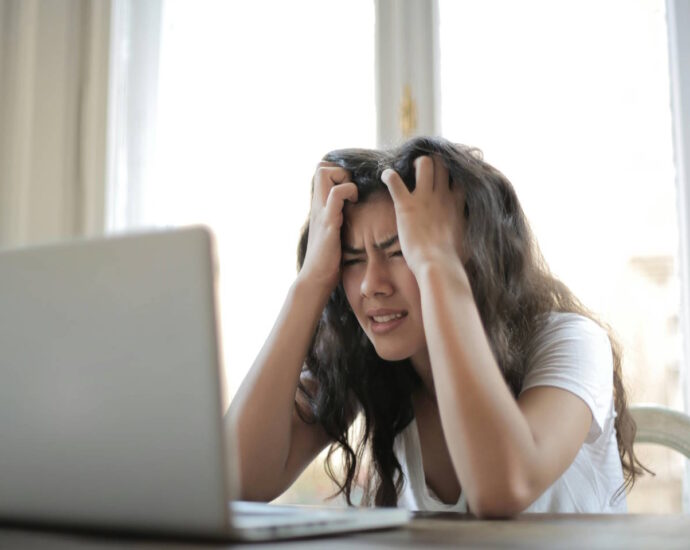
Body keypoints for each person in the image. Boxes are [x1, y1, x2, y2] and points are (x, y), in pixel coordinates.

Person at [226, 136, 645, 516]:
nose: (372, 285)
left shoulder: (572, 341)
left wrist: (436, 264)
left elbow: (503, 488)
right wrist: (311, 281)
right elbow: (236, 480)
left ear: (472, 256)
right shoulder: (370, 363)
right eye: (352, 260)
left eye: (402, 251)